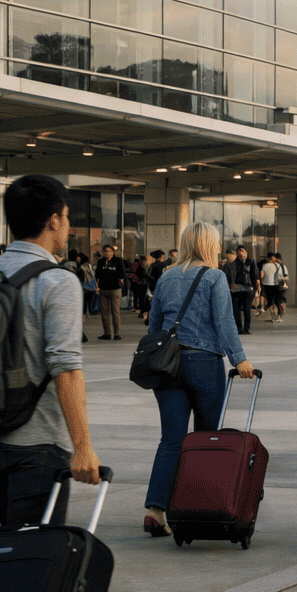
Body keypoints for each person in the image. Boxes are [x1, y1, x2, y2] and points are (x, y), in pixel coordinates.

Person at [0, 174, 100, 525]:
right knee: (34, 556)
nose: (67, 226)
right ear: (54, 219)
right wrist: (82, 447)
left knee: (14, 544)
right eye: (66, 217)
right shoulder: (58, 281)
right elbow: (65, 368)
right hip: (37, 444)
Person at [143, 221, 253, 536]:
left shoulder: (165, 276)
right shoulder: (215, 277)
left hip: (166, 365)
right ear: (208, 244)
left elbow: (154, 327)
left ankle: (155, 511)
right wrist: (239, 358)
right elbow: (224, 321)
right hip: (202, 362)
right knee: (206, 439)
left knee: (171, 439)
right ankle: (199, 506)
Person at [94, 244, 127, 340]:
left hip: (115, 289)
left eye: (109, 251)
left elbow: (122, 273)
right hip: (103, 289)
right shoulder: (101, 262)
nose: (107, 253)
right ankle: (107, 333)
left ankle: (117, 333)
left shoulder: (118, 261)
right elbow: (97, 274)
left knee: (115, 312)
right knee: (104, 313)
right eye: (105, 251)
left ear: (113, 252)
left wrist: (122, 282)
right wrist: (97, 284)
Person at [229, 245, 260, 335]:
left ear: (246, 252)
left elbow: (255, 275)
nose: (240, 253)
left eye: (242, 250)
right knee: (236, 309)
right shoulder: (233, 263)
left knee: (246, 309)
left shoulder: (251, 262)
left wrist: (256, 287)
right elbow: (229, 275)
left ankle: (246, 328)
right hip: (236, 289)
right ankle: (238, 328)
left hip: (248, 289)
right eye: (238, 251)